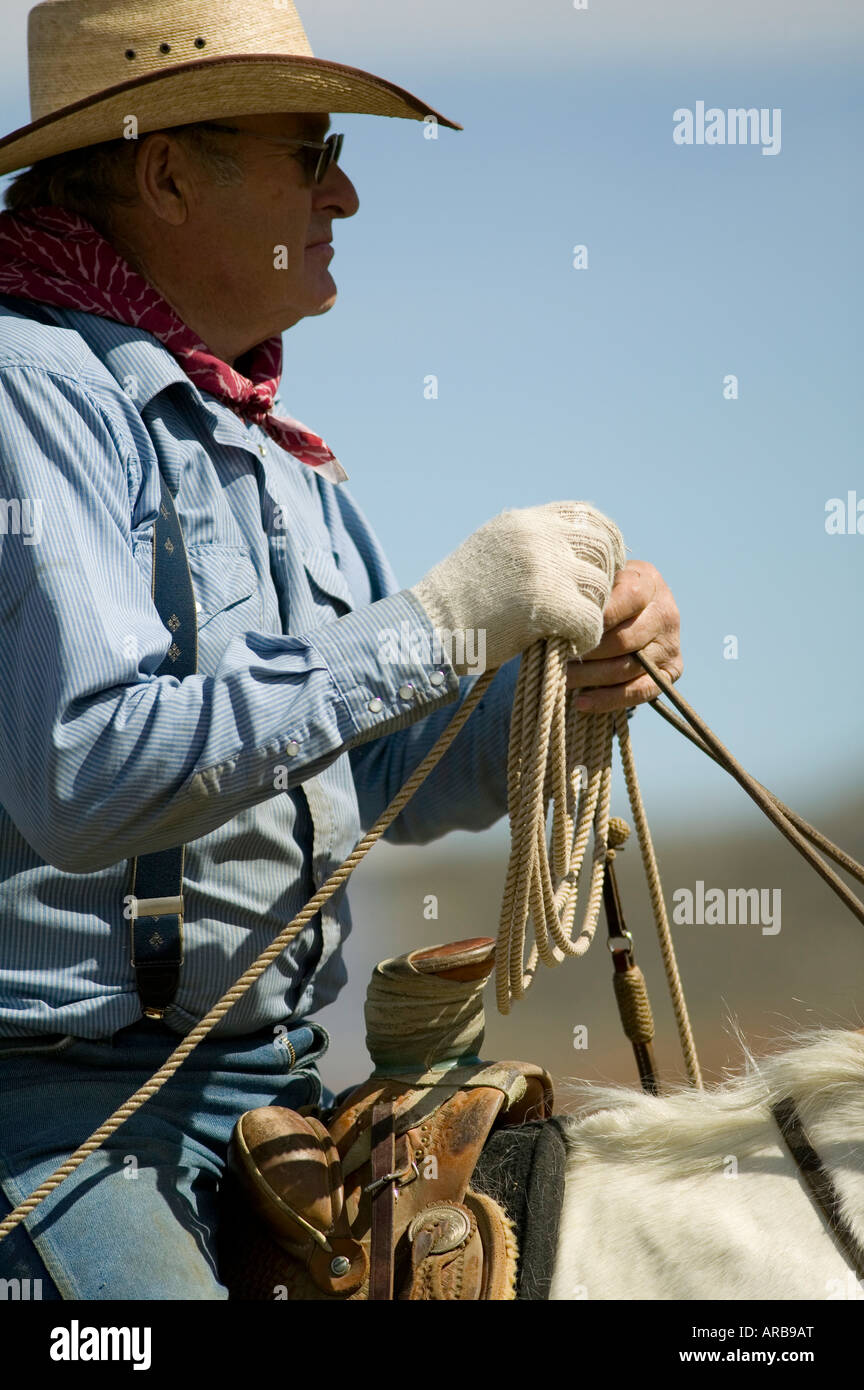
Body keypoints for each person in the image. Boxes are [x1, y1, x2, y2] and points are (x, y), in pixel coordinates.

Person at [0, 0, 682, 1300]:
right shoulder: (27, 393)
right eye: (311, 152)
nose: (347, 193)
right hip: (67, 1115)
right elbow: (84, 770)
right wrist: (435, 623)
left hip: (274, 1083)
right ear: (165, 170)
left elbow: (375, 762)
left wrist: (569, 686)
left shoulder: (264, 440)